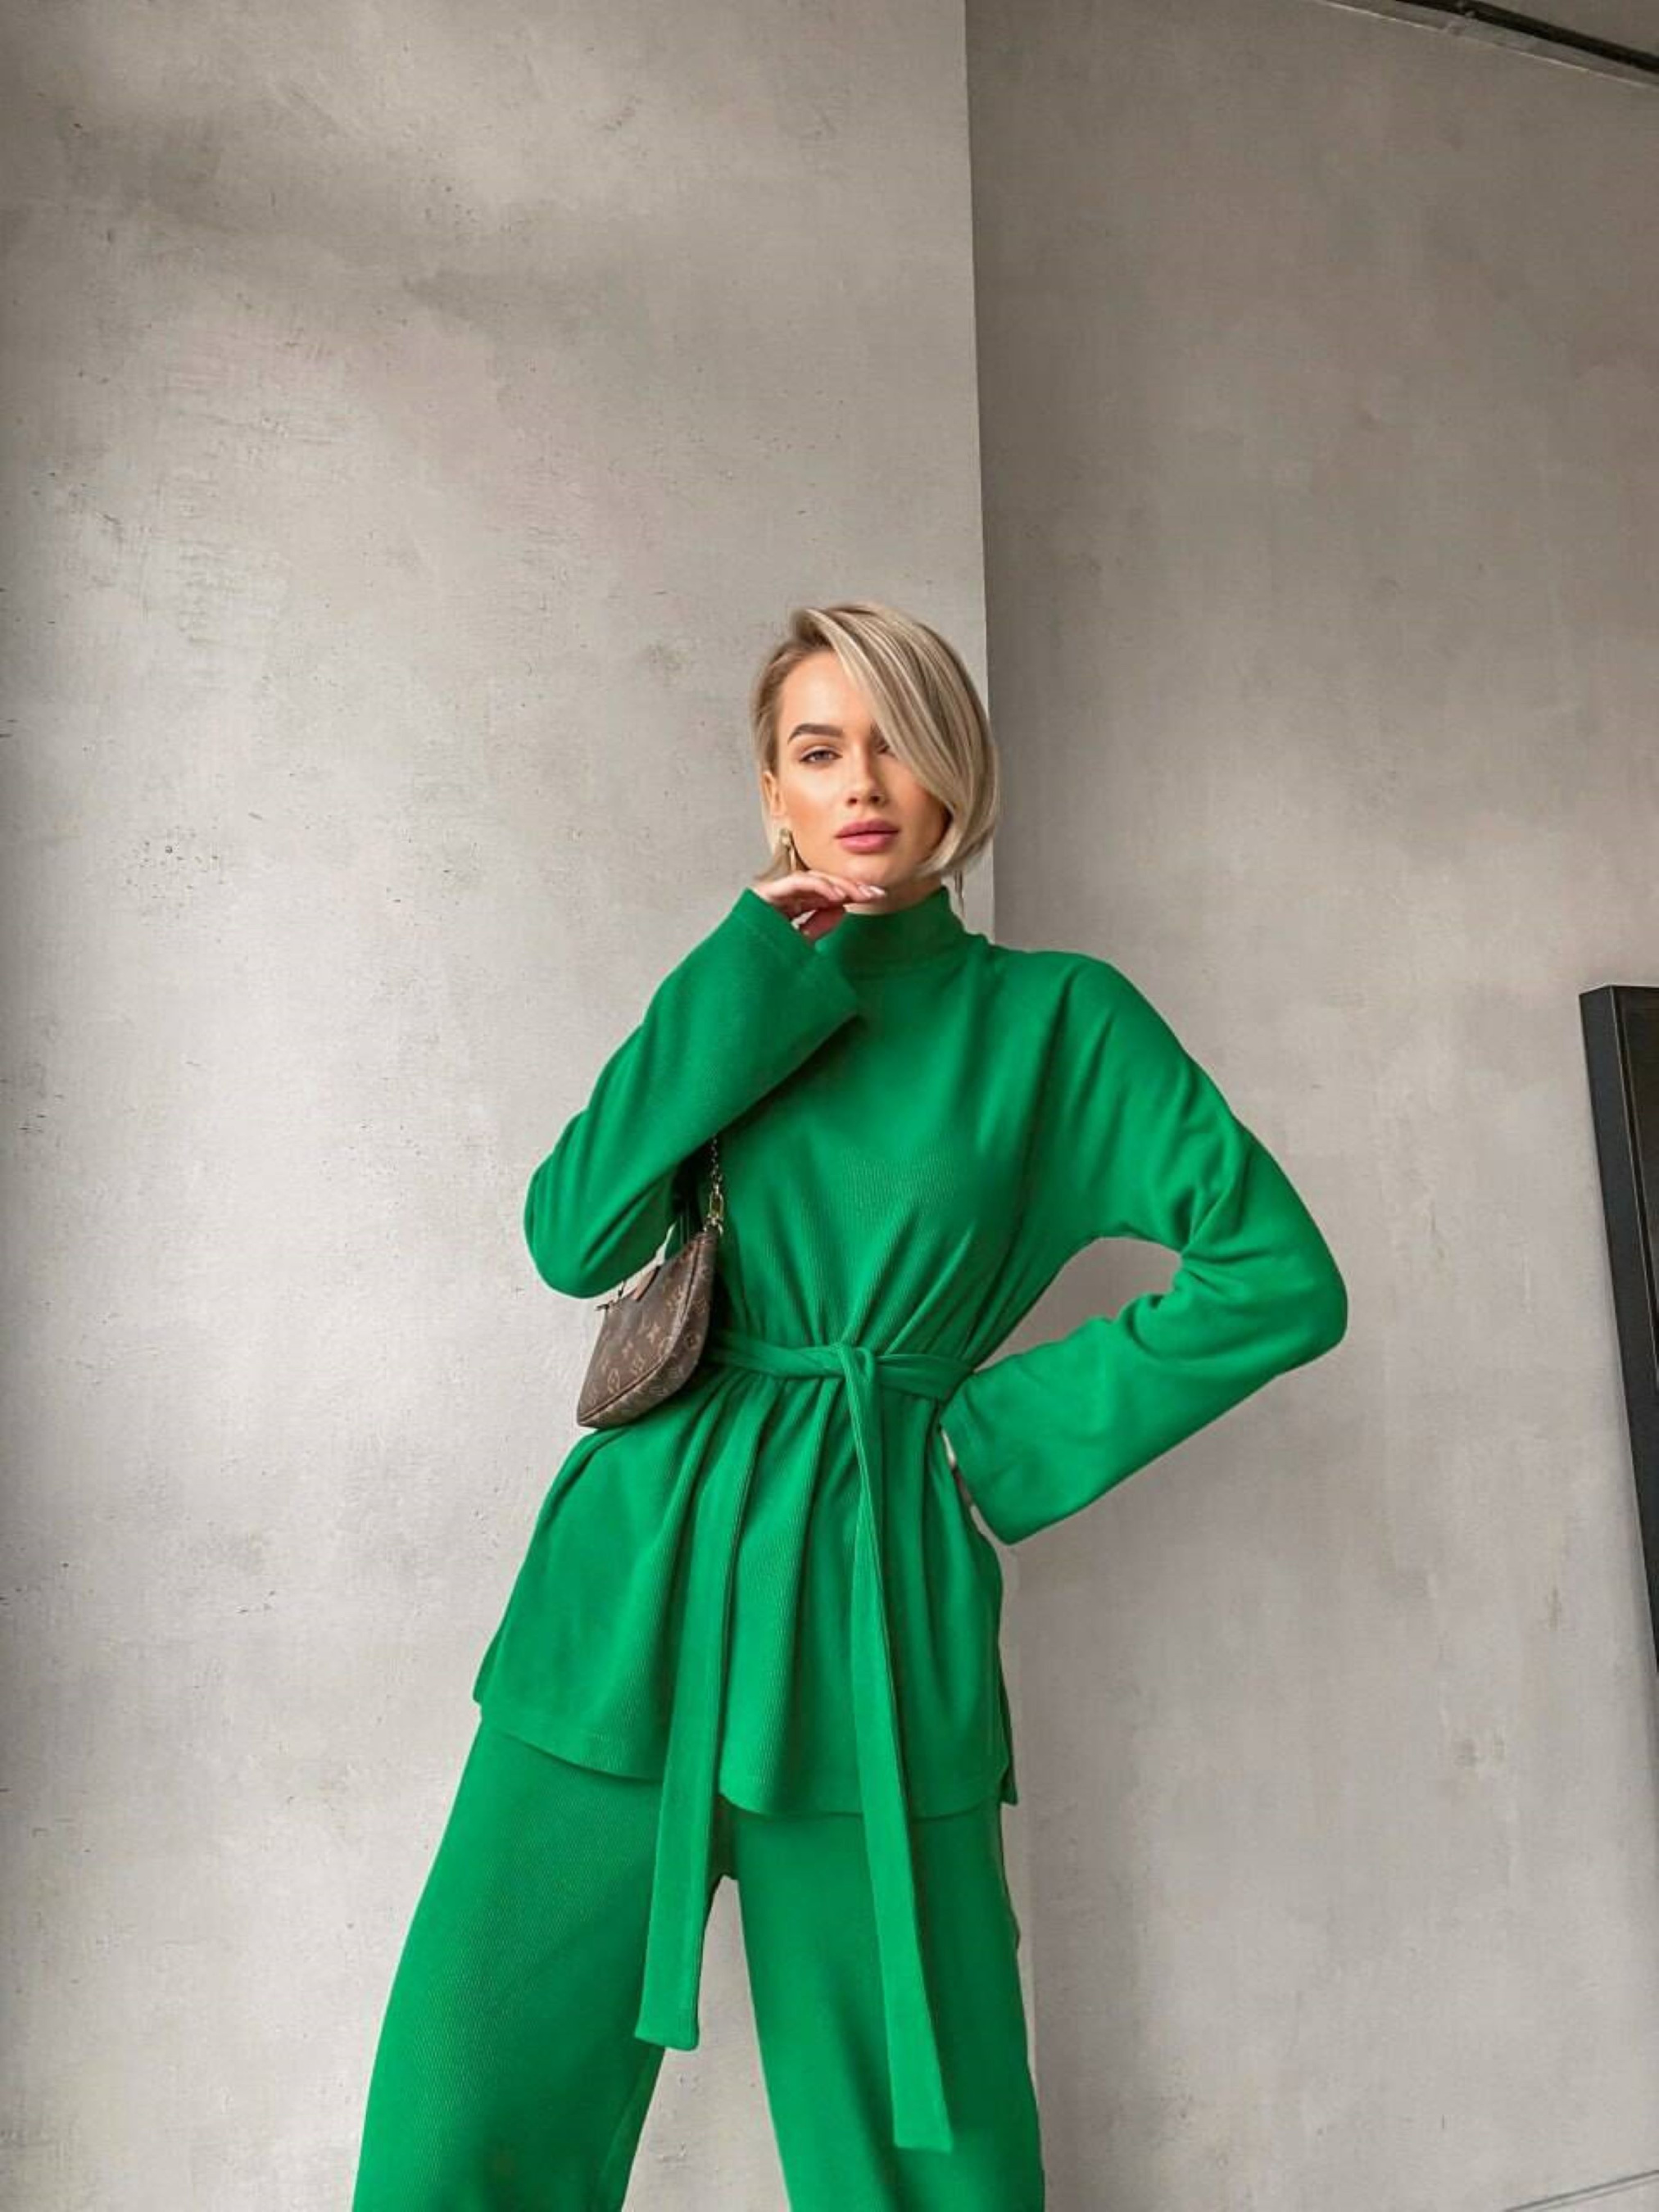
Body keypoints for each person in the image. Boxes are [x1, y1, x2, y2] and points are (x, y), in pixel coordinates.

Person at [349, 600, 1349, 2210]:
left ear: (959, 772)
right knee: (470, 2093)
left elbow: (1275, 1275)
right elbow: (571, 1236)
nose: (862, 782)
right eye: (818, 750)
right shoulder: (744, 996)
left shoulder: (1057, 1021)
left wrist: (989, 1438)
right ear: (774, 789)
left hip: (877, 1591)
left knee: (916, 2133)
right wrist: (747, 968)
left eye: (897, 742)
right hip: (635, 1572)